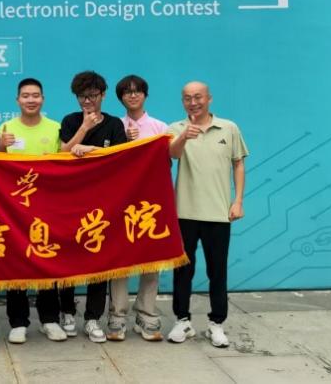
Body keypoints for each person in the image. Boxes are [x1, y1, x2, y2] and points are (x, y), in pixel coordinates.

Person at [166, 81, 247, 348]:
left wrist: (237, 201)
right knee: (183, 271)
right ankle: (182, 320)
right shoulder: (175, 128)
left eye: (198, 97)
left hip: (218, 213)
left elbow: (238, 164)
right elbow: (171, 155)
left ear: (209, 98)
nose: (193, 102)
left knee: (217, 271)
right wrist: (183, 137)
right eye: (187, 98)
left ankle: (216, 324)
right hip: (184, 212)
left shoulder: (228, 128)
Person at [59, 70, 128, 343]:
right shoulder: (70, 121)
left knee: (99, 261)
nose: (87, 101)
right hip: (71, 200)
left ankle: (92, 318)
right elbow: (63, 153)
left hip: (103, 203)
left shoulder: (114, 124)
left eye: (92, 96)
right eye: (82, 97)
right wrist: (84, 129)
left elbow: (121, 159)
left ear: (103, 95)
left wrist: (91, 151)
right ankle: (66, 312)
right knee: (67, 259)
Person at [0, 78, 68, 345]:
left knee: (47, 259)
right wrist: (0, 145)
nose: (31, 100)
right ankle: (18, 322)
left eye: (35, 95)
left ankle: (50, 319)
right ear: (17, 100)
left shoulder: (55, 128)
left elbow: (64, 163)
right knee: (16, 263)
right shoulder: (5, 129)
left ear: (43, 99)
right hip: (13, 209)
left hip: (47, 207)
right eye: (25, 95)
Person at [106, 74, 168, 342]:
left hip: (151, 202)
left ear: (145, 95)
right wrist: (125, 143)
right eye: (127, 92)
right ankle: (117, 315)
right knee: (119, 260)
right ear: (120, 97)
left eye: (137, 91)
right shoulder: (114, 126)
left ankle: (146, 313)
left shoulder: (160, 127)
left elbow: (165, 163)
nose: (132, 95)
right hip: (121, 202)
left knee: (151, 259)